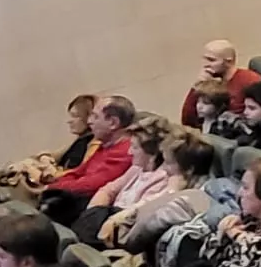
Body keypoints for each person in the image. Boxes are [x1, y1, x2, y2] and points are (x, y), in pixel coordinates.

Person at [101, 136, 218, 258]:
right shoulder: (178, 182)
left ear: (189, 170)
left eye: (168, 163)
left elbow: (147, 226)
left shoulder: (197, 196)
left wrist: (172, 192)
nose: (164, 169)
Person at [72, 121, 177, 248]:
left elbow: (137, 216)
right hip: (105, 220)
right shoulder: (137, 168)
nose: (129, 152)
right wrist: (91, 215)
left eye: (134, 147)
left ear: (152, 154)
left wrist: (102, 219)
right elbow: (108, 190)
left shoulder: (162, 178)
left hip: (121, 230)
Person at [41, 95, 138, 224]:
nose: (89, 121)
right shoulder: (105, 144)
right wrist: (53, 186)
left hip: (86, 208)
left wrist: (51, 188)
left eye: (95, 117)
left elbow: (91, 185)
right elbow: (78, 172)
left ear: (113, 123)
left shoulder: (125, 150)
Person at [178, 41, 261, 127]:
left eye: (211, 60)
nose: (206, 65)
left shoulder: (249, 80)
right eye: (205, 59)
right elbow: (187, 120)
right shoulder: (214, 84)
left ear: (228, 61)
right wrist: (198, 84)